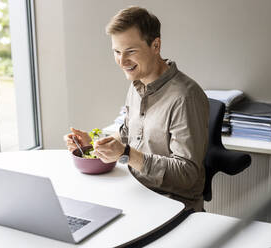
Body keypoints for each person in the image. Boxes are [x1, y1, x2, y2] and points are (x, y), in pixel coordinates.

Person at [64, 6, 209, 211]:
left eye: (130, 51)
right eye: (116, 52)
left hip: (172, 207)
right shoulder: (137, 85)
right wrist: (93, 144)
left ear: (155, 45)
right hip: (135, 195)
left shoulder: (185, 98)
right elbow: (127, 135)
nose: (122, 62)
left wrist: (126, 154)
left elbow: (186, 175)